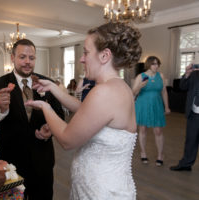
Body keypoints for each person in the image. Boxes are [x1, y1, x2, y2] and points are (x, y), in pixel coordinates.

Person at [25, 22, 142, 199]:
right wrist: (54, 88)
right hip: (105, 184)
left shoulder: (105, 92)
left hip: (101, 191)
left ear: (104, 55)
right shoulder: (118, 86)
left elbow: (66, 140)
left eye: (86, 52)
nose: (82, 59)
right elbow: (87, 111)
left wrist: (45, 107)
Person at [0, 39, 64, 200]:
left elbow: (59, 115)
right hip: (11, 161)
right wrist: (1, 109)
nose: (27, 62)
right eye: (22, 57)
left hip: (42, 160)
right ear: (12, 58)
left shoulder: (47, 83)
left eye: (31, 58)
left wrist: (50, 128)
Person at [132, 56, 171, 166]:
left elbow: (164, 92)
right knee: (143, 129)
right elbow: (133, 93)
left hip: (157, 105)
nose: (156, 66)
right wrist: (140, 86)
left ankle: (160, 155)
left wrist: (167, 106)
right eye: (154, 64)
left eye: (158, 64)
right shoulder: (141, 76)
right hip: (143, 105)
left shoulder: (161, 76)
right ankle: (143, 153)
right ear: (148, 65)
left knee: (158, 130)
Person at [170, 64, 199, 171]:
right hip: (194, 114)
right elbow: (182, 86)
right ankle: (186, 164)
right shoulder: (194, 74)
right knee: (191, 140)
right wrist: (187, 74)